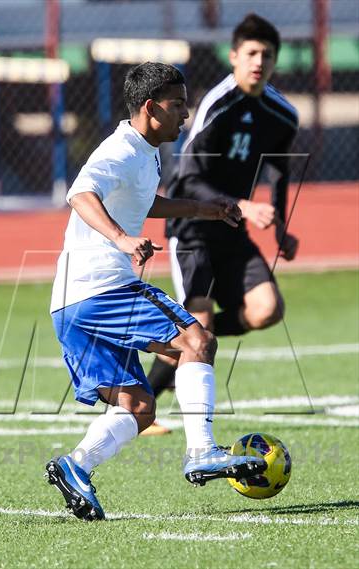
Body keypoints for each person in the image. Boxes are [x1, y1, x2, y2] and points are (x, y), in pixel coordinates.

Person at [45, 62, 266, 521]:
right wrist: (122, 240)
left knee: (140, 407)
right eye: (178, 104)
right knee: (197, 341)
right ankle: (201, 451)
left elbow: (146, 203)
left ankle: (76, 465)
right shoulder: (121, 151)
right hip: (101, 289)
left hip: (69, 304)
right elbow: (81, 194)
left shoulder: (144, 151)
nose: (186, 113)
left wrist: (204, 210)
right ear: (150, 108)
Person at [144, 14, 299, 433]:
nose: (258, 61)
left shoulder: (283, 115)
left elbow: (281, 172)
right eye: (250, 53)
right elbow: (188, 178)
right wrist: (244, 205)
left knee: (266, 309)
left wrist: (281, 224)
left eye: (267, 54)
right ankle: (137, 408)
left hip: (232, 231)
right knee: (201, 325)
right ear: (234, 56)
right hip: (193, 227)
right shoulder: (218, 104)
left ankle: (182, 345)